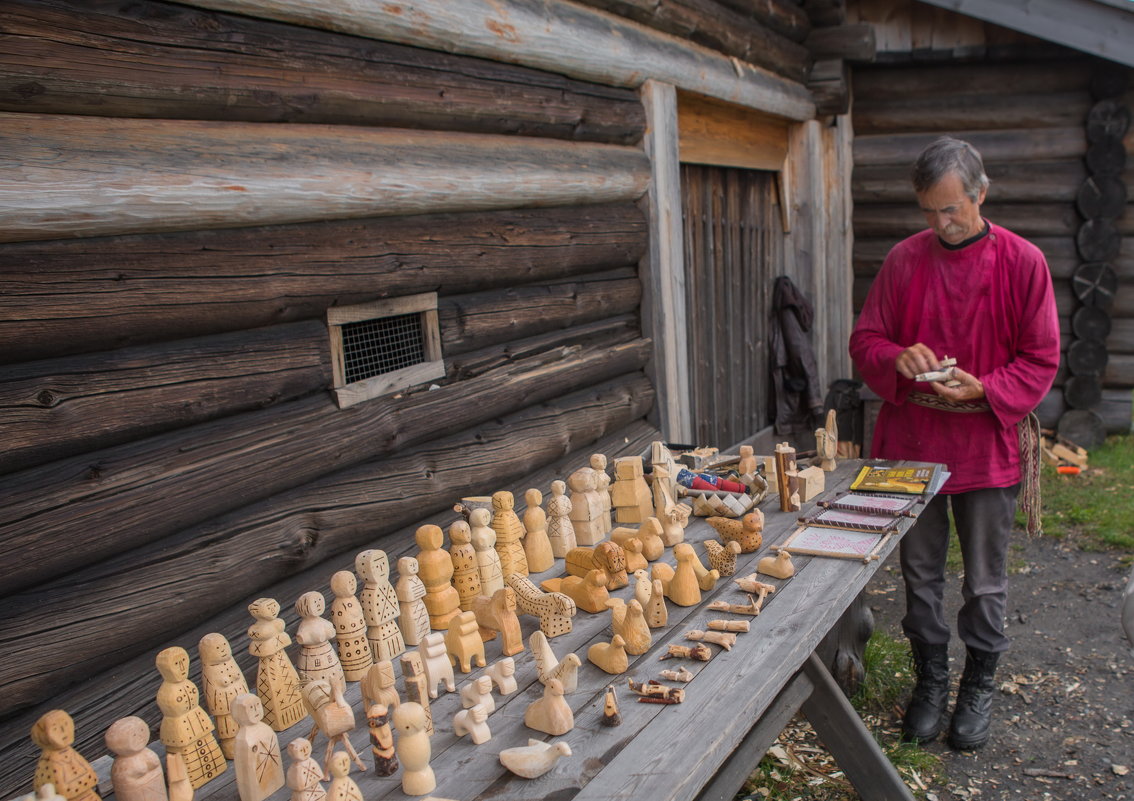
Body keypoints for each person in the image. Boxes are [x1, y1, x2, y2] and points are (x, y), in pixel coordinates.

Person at [849, 136, 1059, 750]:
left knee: (984, 582)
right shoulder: (903, 261)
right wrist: (897, 354)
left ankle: (978, 684)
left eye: (951, 210)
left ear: (980, 194)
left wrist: (983, 389)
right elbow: (867, 342)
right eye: (928, 212)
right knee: (920, 576)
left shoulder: (1024, 262)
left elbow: (1041, 358)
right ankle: (931, 682)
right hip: (913, 439)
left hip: (986, 443)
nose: (940, 224)